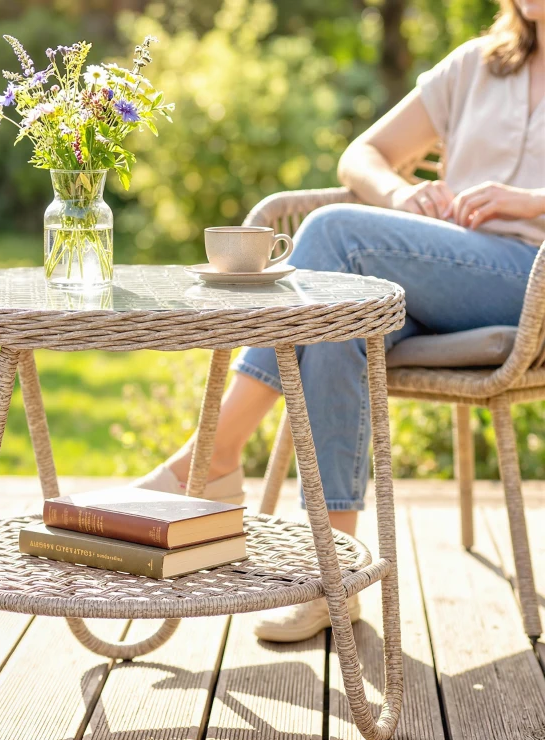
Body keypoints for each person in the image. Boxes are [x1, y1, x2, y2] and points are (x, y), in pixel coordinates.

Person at [134, 0, 545, 642]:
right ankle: (334, 576)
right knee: (336, 320)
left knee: (330, 234)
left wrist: (531, 201)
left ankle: (211, 455)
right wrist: (401, 195)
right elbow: (366, 153)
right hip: (435, 275)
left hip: (527, 281)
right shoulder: (477, 65)